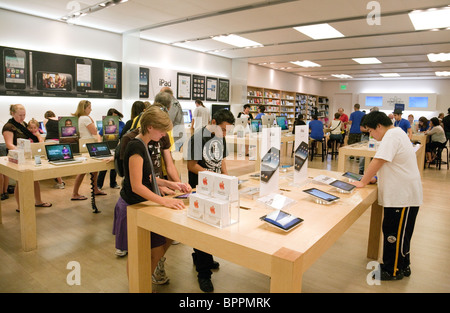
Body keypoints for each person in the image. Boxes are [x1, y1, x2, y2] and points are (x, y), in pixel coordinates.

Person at [113, 105, 189, 285]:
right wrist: (163, 201)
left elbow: (149, 178)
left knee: (156, 250)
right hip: (133, 206)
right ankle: (137, 287)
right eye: (162, 131)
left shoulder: (145, 145)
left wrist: (172, 183)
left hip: (145, 204)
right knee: (137, 254)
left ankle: (144, 283)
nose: (163, 135)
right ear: (150, 127)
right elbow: (137, 185)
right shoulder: (135, 147)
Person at [351, 111, 422, 281]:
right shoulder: (397, 133)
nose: (371, 136)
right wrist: (375, 178)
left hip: (402, 196)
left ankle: (393, 270)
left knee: (394, 234)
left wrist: (363, 181)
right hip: (402, 194)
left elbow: (378, 160)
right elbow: (392, 163)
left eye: (370, 131)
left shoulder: (391, 135)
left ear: (379, 126)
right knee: (398, 233)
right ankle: (402, 265)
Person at [186, 108, 235, 292]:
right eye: (222, 129)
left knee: (213, 224)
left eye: (226, 131)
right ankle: (203, 273)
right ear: (213, 122)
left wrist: (227, 179)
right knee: (202, 228)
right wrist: (213, 177)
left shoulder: (220, 137)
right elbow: (192, 166)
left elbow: (222, 160)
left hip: (217, 188)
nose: (224, 134)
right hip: (201, 188)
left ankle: (202, 257)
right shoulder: (197, 139)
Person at [2, 104, 52, 211]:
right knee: (20, 182)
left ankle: (38, 201)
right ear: (13, 113)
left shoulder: (24, 124)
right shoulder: (8, 127)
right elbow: (9, 144)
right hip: (16, 158)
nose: (22, 117)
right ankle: (21, 207)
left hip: (27, 156)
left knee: (35, 179)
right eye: (20, 115)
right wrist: (21, 153)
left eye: (24, 115)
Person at [71, 100, 105, 200]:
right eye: (89, 107)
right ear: (84, 108)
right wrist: (91, 120)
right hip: (89, 146)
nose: (91, 109)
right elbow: (94, 131)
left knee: (93, 170)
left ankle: (94, 189)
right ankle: (75, 193)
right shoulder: (86, 118)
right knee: (83, 171)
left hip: (83, 144)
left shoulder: (79, 118)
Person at [97, 108, 125, 190]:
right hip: (107, 146)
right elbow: (100, 134)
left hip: (117, 146)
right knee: (104, 166)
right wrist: (100, 143)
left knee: (114, 166)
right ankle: (99, 184)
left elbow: (124, 135)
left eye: (116, 116)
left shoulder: (122, 124)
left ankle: (113, 183)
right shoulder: (105, 124)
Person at [43, 111, 65, 189]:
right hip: (59, 141)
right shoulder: (58, 119)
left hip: (50, 142)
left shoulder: (46, 120)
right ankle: (60, 180)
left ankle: (60, 182)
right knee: (58, 161)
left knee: (52, 162)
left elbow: (47, 132)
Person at [161, 87, 184, 151]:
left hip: (175, 138)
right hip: (175, 137)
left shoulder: (172, 103)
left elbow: (168, 120)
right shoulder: (173, 102)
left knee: (171, 158)